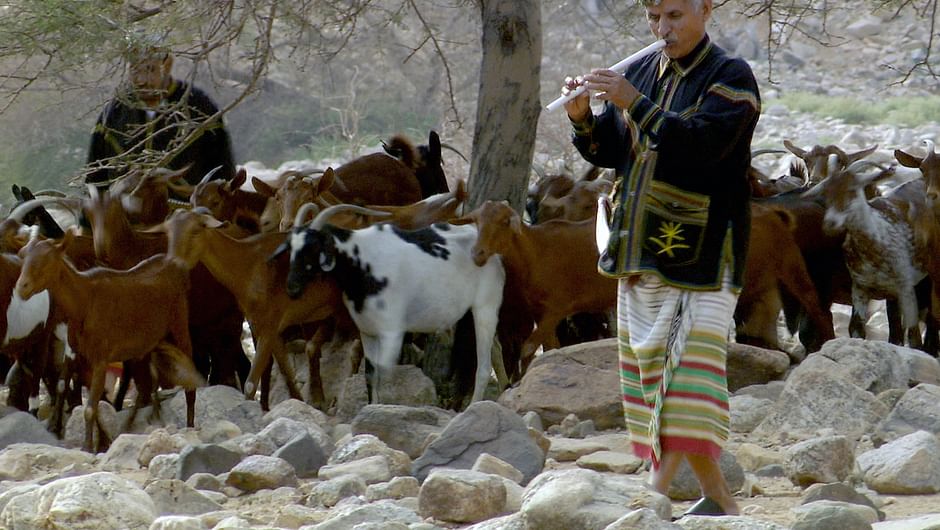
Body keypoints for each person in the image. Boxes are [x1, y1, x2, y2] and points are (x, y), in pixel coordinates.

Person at [562, 0, 760, 517]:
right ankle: (719, 499)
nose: (661, 28)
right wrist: (583, 119)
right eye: (653, 17)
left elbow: (702, 147)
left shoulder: (731, 77)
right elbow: (613, 152)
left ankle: (652, 496)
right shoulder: (643, 70)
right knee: (655, 377)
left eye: (674, 15)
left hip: (705, 251)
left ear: (705, 9)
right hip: (639, 246)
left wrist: (633, 102)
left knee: (684, 377)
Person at [86, 35, 236, 190]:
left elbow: (224, 177)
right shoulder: (114, 113)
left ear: (167, 65)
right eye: (134, 70)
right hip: (126, 205)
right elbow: (94, 182)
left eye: (150, 69)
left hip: (186, 204)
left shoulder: (199, 107)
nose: (141, 80)